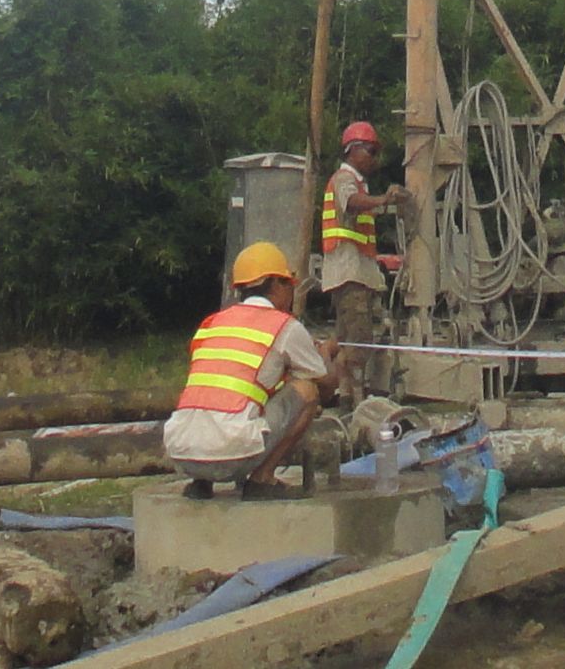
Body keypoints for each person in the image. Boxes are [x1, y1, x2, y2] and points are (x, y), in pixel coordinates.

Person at [162, 242, 331, 496]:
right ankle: (262, 480)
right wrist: (327, 353)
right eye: (287, 284)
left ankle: (201, 483)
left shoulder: (212, 323)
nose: (291, 293)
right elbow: (326, 384)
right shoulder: (283, 325)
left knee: (218, 393)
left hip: (181, 454)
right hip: (232, 455)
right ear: (275, 284)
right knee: (307, 390)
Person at [316, 120, 413, 392]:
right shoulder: (345, 180)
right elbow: (352, 204)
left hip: (358, 273)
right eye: (370, 151)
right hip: (350, 274)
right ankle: (332, 388)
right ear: (352, 150)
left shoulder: (359, 184)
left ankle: (343, 393)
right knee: (359, 344)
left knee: (348, 339)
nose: (375, 159)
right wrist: (385, 199)